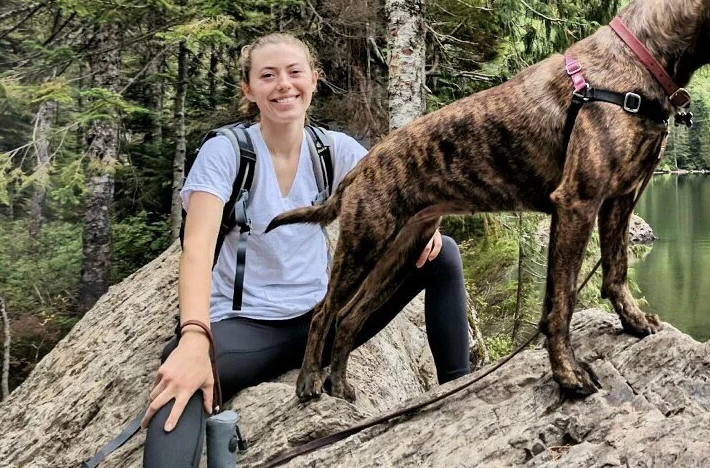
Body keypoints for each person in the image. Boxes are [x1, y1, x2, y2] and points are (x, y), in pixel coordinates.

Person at [142, 33, 470, 468]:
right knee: (182, 371)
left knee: (441, 255)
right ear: (248, 90)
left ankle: (460, 393)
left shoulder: (332, 149)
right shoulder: (227, 152)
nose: (284, 84)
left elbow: (402, 189)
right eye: (268, 75)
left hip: (323, 322)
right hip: (248, 330)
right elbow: (197, 249)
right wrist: (194, 336)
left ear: (314, 80)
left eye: (295, 72)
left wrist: (425, 223)